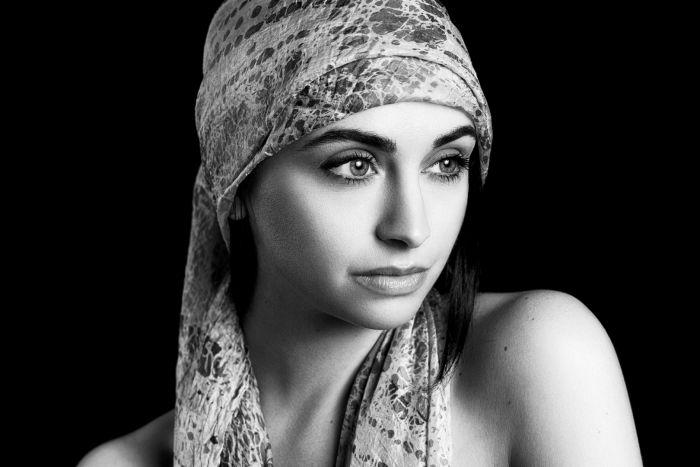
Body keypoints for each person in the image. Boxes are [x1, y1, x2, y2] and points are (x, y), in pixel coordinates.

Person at [78, 0, 642, 465]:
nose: (412, 228)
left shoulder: (542, 357)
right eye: (354, 165)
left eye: (447, 163)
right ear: (238, 181)